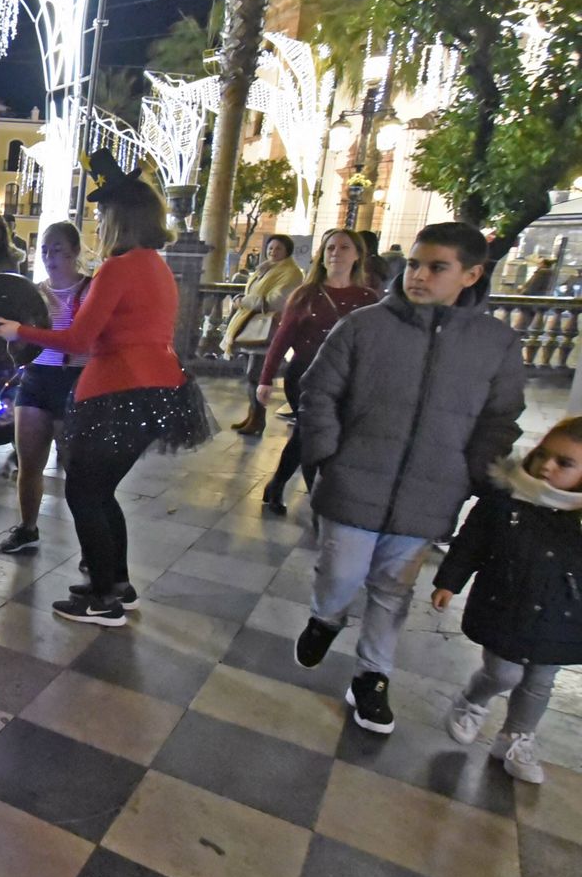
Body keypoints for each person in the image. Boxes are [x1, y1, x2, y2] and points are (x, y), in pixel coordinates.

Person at [293, 221, 526, 736]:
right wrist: (328, 454)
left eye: (436, 267)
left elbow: (501, 417)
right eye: (415, 264)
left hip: (431, 491)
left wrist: (470, 473)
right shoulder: (364, 326)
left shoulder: (495, 343)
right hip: (354, 480)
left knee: (392, 590)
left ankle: (372, 676)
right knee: (340, 574)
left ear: (471, 275)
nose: (418, 276)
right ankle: (326, 617)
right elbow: (319, 391)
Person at [0, 151, 214, 626]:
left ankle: (101, 599)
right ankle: (117, 584)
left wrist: (19, 331)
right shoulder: (155, 265)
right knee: (101, 491)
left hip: (119, 392)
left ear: (121, 217)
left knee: (84, 493)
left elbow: (78, 340)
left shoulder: (119, 268)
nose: (98, 221)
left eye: (103, 213)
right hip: (157, 389)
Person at [434, 418, 582, 785]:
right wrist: (449, 582)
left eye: (564, 463)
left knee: (539, 682)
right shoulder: (506, 498)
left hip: (560, 618)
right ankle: (472, 700)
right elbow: (471, 544)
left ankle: (515, 737)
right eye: (543, 454)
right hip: (506, 606)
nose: (546, 466)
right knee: (504, 672)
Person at [255, 230, 378, 515]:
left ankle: (277, 484)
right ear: (322, 256)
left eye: (344, 247)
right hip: (305, 376)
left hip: (345, 379)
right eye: (330, 248)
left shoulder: (367, 298)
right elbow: (282, 339)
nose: (336, 253)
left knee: (308, 434)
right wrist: (265, 379)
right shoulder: (306, 294)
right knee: (311, 433)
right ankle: (318, 501)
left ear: (357, 255)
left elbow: (373, 344)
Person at [0, 222, 89, 554]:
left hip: (75, 381)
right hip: (37, 379)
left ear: (75, 251)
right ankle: (27, 528)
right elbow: (19, 344)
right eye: (45, 250)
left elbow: (87, 340)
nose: (50, 257)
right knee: (29, 463)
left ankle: (91, 545)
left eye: (58, 250)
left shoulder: (90, 291)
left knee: (78, 472)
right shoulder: (35, 293)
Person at [222, 233, 302, 437]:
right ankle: (253, 415)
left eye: (278, 248)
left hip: (268, 328)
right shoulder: (266, 268)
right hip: (255, 324)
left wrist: (243, 301)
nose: (273, 252)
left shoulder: (290, 273)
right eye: (270, 248)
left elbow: (276, 300)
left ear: (287, 251)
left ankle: (258, 418)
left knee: (256, 375)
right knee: (251, 374)